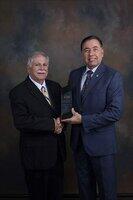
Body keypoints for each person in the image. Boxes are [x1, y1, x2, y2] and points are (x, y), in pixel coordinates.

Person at [62, 35, 124, 200]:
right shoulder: (74, 75)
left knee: (107, 193)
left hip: (102, 146)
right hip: (79, 144)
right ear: (82, 53)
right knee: (85, 192)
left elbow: (115, 112)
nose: (91, 54)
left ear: (102, 52)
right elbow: (68, 106)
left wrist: (84, 120)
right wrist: (61, 122)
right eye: (86, 50)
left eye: (95, 49)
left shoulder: (113, 76)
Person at [9, 51, 66, 200]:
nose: (42, 68)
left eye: (45, 64)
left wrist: (61, 125)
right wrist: (52, 124)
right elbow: (21, 121)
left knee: (56, 194)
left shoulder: (55, 87)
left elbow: (62, 115)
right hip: (36, 157)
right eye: (37, 64)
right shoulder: (18, 92)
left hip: (57, 154)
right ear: (29, 68)